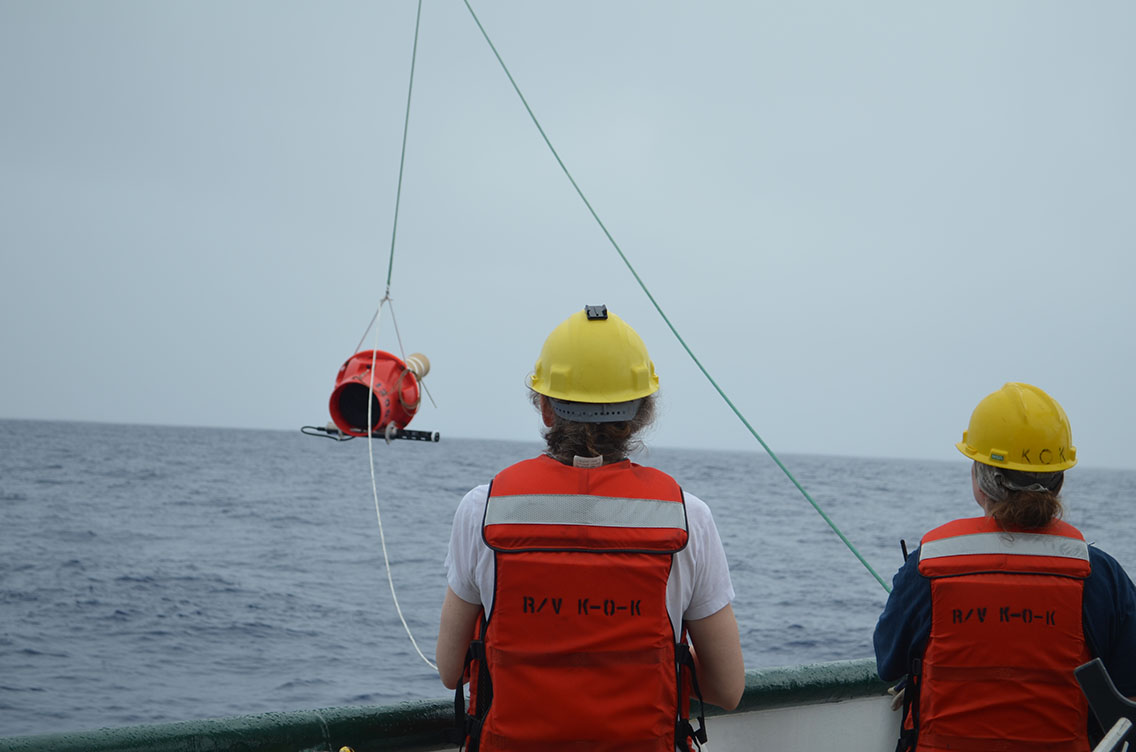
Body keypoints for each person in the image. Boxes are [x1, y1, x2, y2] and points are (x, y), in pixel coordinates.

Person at [436, 304, 744, 751]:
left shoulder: (481, 510)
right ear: (643, 413)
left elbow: (450, 670)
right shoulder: (687, 516)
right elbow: (726, 688)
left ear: (545, 408)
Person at [874, 382, 1136, 752]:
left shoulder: (927, 568)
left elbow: (888, 664)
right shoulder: (1102, 577)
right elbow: (1128, 689)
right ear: (1059, 478)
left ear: (981, 479)